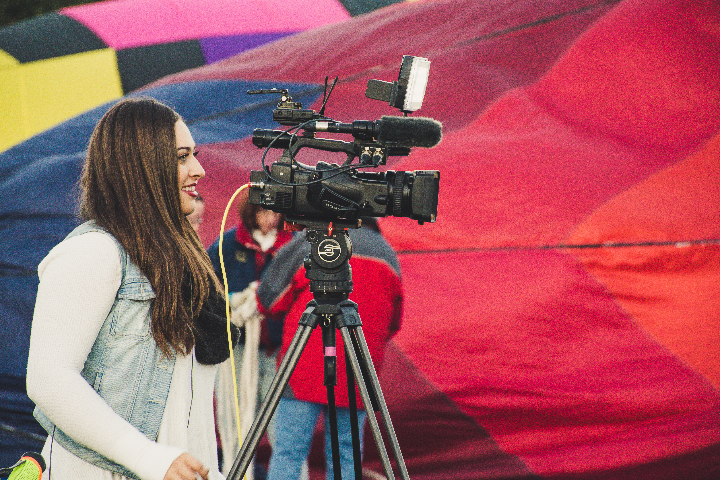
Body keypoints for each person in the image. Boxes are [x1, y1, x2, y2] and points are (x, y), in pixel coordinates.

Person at [26, 97, 237, 480]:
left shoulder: (184, 260)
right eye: (182, 157)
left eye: (194, 155)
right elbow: (49, 379)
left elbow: (187, 406)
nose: (199, 169)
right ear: (141, 167)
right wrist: (147, 457)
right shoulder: (94, 251)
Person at [257, 218, 403, 480]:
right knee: (346, 456)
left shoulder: (313, 241)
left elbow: (269, 300)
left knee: (288, 453)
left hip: (303, 367)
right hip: (357, 370)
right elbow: (393, 324)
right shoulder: (387, 253)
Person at [207, 198, 292, 476]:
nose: (270, 218)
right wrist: (234, 300)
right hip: (239, 349)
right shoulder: (228, 244)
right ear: (251, 212)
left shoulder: (292, 246)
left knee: (283, 428)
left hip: (278, 351)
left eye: (275, 211)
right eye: (264, 211)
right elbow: (207, 285)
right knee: (237, 423)